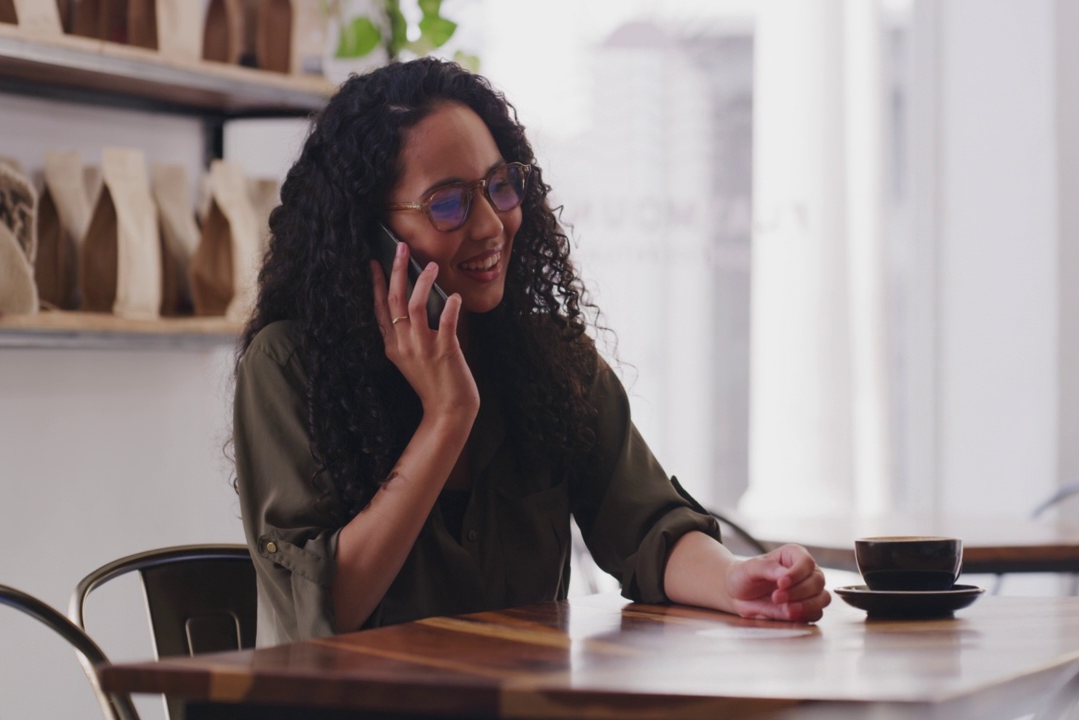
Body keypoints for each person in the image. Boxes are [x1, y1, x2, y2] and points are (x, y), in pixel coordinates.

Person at [233, 57, 831, 645]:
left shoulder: (548, 359)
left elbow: (650, 529)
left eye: (499, 185)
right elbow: (318, 609)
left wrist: (738, 580)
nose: (492, 224)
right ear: (368, 233)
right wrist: (446, 419)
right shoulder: (290, 366)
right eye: (448, 202)